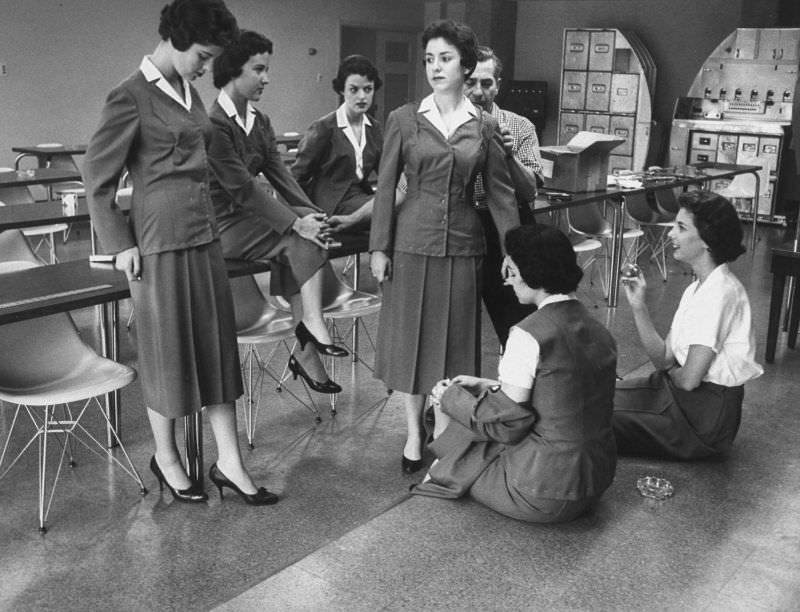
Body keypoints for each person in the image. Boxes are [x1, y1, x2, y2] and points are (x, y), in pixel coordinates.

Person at [84, 0, 277, 506]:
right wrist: (119, 244)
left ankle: (230, 464)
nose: (207, 67)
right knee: (166, 354)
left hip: (203, 237)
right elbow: (96, 181)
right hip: (157, 244)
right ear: (175, 40)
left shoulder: (188, 91)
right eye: (203, 55)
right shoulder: (129, 96)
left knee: (216, 350)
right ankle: (166, 458)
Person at [369, 19, 519, 474]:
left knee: (455, 344)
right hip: (410, 244)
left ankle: (444, 428)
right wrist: (379, 246)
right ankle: (415, 433)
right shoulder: (403, 118)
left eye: (445, 58)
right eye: (430, 59)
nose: (435, 67)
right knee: (412, 342)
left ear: (465, 65)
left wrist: (514, 251)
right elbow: (385, 186)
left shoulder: (485, 126)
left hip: (463, 246)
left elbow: (500, 195)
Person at [413, 224, 618, 523]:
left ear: (531, 271)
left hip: (538, 493)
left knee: (460, 434)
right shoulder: (598, 328)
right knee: (480, 419)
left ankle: (442, 461)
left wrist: (449, 398)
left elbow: (508, 426)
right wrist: (489, 385)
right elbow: (562, 390)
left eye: (512, 270)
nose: (507, 282)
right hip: (594, 483)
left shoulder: (527, 334)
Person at [207, 29, 347, 395]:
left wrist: (313, 214)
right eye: (258, 69)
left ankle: (308, 348)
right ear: (234, 70)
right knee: (299, 239)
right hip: (222, 224)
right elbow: (242, 188)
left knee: (306, 237)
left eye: (267, 69)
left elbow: (282, 177)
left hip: (252, 218)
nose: (266, 78)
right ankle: (312, 327)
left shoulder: (260, 121)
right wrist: (296, 222)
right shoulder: (214, 126)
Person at [613, 191, 763, 459]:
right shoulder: (697, 287)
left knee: (589, 415)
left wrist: (671, 372)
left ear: (707, 239)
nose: (671, 234)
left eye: (681, 228)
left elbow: (690, 379)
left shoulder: (720, 293)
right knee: (594, 395)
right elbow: (664, 359)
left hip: (701, 419)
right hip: (679, 395)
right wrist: (639, 307)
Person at [465, 45, 543, 350]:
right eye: (470, 82)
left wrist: (509, 156)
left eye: (486, 83)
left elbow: (529, 191)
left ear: (498, 84)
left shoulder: (520, 126)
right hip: (465, 224)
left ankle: (519, 386)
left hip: (510, 226)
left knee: (518, 320)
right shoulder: (447, 129)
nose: (478, 92)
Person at [291, 55, 384, 233]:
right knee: (385, 210)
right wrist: (303, 217)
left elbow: (386, 173)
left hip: (361, 198)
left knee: (399, 206)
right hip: (331, 203)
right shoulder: (324, 128)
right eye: (354, 90)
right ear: (342, 90)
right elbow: (296, 177)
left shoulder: (374, 128)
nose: (362, 96)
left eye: (368, 89)